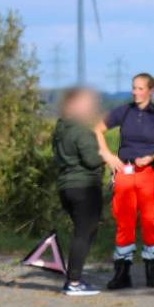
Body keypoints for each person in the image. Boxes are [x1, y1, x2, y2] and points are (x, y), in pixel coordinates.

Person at [95, 72, 154, 289]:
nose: (135, 92)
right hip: (126, 171)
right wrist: (108, 156)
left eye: (140, 88)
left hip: (151, 173)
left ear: (150, 90)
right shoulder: (124, 111)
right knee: (124, 222)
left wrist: (152, 156)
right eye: (134, 88)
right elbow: (98, 129)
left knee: (150, 221)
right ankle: (122, 273)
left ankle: (152, 272)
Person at [50, 87, 105, 296]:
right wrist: (103, 155)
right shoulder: (81, 131)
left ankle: (76, 276)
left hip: (66, 186)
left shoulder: (60, 130)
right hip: (85, 187)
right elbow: (91, 160)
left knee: (84, 231)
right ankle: (73, 282)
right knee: (84, 233)